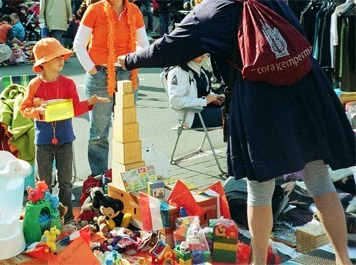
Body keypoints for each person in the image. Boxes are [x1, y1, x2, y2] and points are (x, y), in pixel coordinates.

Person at [118, 0, 355, 264]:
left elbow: (166, 50)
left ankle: (259, 262)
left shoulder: (210, 11)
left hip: (259, 97)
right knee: (319, 178)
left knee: (259, 188)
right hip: (306, 88)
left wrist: (128, 60)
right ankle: (343, 260)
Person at [20, 37, 109, 224]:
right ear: (43, 63)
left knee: (66, 183)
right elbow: (24, 109)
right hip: (43, 141)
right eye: (56, 57)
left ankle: (67, 218)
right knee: (43, 183)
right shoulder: (35, 85)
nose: (62, 60)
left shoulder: (68, 83)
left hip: (66, 139)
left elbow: (75, 108)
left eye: (62, 56)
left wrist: (90, 102)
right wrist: (39, 111)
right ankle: (44, 218)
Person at [73, 0, 149, 177]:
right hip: (99, 74)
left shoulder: (134, 11)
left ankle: (125, 174)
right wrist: (93, 70)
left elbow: (144, 46)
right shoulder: (94, 10)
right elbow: (78, 44)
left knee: (126, 128)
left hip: (126, 74)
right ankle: (99, 177)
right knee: (99, 132)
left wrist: (131, 63)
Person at [166, 54, 223, 128]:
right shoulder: (178, 71)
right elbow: (175, 101)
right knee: (234, 114)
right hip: (192, 116)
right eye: (199, 51)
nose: (204, 54)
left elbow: (202, 91)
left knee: (236, 107)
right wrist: (205, 100)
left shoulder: (199, 67)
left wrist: (213, 98)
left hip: (204, 108)